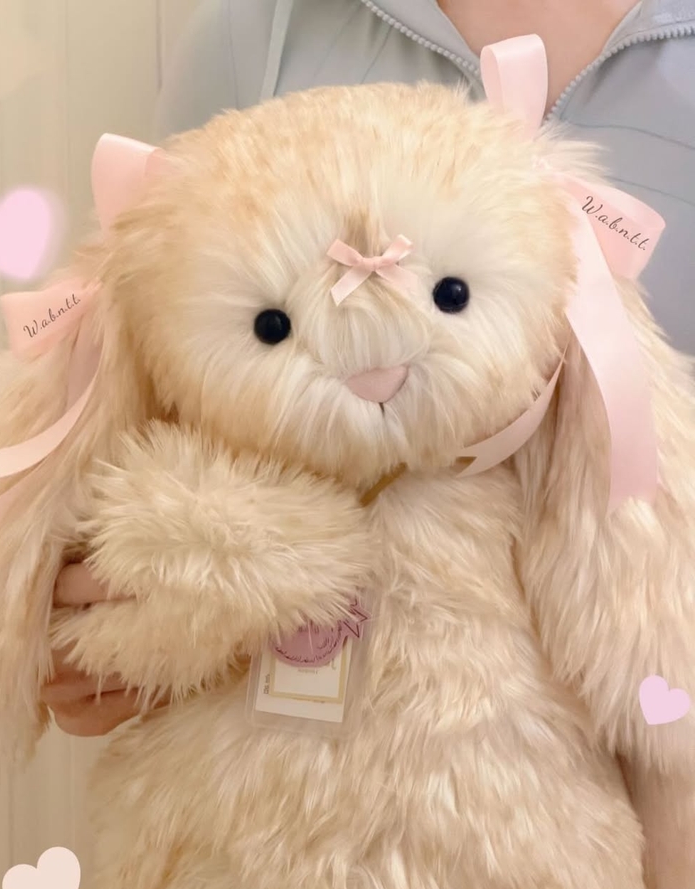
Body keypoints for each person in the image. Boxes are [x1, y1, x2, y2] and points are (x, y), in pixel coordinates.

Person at [46, 0, 695, 731]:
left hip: (623, 735)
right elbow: (151, 381)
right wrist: (130, 617)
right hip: (286, 745)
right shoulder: (262, 30)